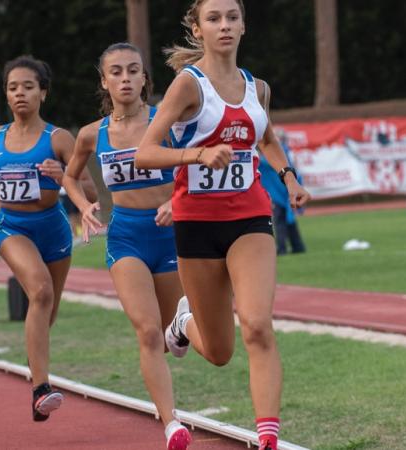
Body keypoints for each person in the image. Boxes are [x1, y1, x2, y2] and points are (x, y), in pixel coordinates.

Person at [134, 1, 311, 449]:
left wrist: (288, 178)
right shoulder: (188, 86)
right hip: (196, 224)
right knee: (218, 351)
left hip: (250, 218)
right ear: (198, 29)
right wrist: (197, 154)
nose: (225, 25)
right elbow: (145, 152)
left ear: (244, 25)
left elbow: (266, 136)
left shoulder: (258, 88)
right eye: (214, 18)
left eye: (232, 17)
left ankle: (267, 436)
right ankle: (183, 322)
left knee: (256, 325)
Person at [61, 43, 191, 450]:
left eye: (133, 71)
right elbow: (70, 178)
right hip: (126, 236)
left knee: (174, 336)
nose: (125, 79)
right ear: (104, 81)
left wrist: (176, 199)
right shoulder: (91, 135)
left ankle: (179, 333)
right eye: (115, 72)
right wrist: (83, 206)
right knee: (147, 331)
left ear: (144, 79)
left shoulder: (165, 121)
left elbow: (192, 164)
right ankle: (172, 424)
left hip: (171, 235)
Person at [0, 55, 96, 423]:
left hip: (54, 229)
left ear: (43, 93)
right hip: (12, 227)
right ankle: (41, 389)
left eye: (28, 87)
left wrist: (63, 172)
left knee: (48, 310)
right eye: (13, 87)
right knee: (41, 292)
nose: (20, 94)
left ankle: (35, 365)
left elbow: (91, 191)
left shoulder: (60, 138)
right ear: (6, 94)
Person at [259, 128, 306, 255]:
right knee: (288, 219)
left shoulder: (278, 154)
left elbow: (263, 162)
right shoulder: (287, 152)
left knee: (280, 220)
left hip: (280, 192)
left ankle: (282, 248)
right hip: (284, 191)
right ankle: (298, 246)